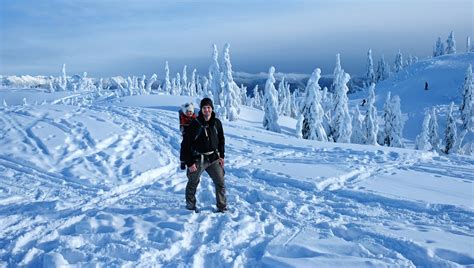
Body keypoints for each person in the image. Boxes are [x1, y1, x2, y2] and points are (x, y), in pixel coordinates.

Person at [180, 97, 227, 212]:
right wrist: (190, 163)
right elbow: (185, 145)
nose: (207, 110)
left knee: (220, 182)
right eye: (204, 108)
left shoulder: (217, 123)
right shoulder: (194, 124)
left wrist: (221, 156)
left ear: (212, 109)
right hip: (198, 158)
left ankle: (222, 207)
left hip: (213, 157)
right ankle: (190, 206)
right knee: (193, 182)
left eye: (209, 107)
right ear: (201, 109)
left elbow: (221, 139)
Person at [179, 102, 197, 170]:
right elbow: (182, 128)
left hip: (195, 136)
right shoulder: (183, 118)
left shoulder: (195, 118)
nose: (189, 113)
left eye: (190, 111)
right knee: (184, 146)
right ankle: (183, 161)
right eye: (187, 112)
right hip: (187, 136)